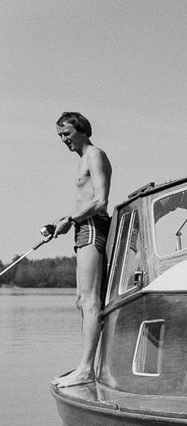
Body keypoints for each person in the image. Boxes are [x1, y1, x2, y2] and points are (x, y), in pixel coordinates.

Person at [49, 112, 112, 388]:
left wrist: (72, 219)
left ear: (82, 130)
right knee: (81, 300)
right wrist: (66, 221)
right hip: (83, 228)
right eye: (60, 136)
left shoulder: (94, 155)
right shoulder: (82, 160)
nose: (64, 140)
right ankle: (87, 365)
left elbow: (101, 200)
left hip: (93, 227)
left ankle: (86, 369)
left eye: (67, 134)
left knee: (89, 300)